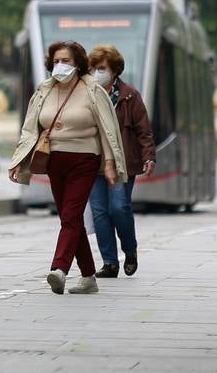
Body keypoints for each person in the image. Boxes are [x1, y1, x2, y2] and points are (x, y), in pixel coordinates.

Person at [8, 40, 125, 295]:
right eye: (56, 61)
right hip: (53, 160)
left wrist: (109, 164)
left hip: (84, 159)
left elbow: (107, 130)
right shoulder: (44, 90)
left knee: (71, 215)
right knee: (69, 218)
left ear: (78, 64)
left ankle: (59, 269)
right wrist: (18, 160)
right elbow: (30, 129)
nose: (60, 66)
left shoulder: (93, 90)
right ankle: (88, 277)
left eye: (66, 61)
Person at [86, 44, 153, 277]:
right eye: (93, 68)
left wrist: (148, 157)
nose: (97, 73)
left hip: (123, 163)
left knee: (119, 207)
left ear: (114, 70)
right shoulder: (87, 95)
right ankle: (110, 262)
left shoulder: (130, 96)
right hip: (94, 164)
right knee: (99, 212)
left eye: (102, 68)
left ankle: (130, 250)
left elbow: (143, 130)